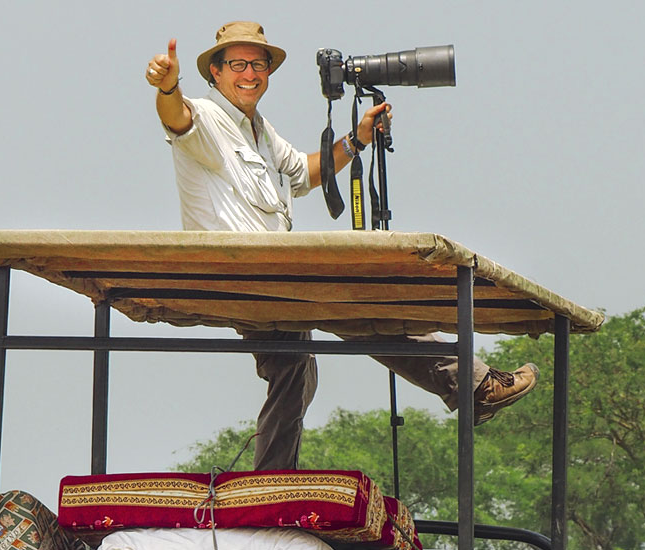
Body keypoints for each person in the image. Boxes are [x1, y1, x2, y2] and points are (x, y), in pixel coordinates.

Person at [146, 21, 538, 470]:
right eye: (238, 64)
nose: (250, 74)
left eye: (258, 64)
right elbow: (176, 117)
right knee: (363, 306)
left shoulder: (259, 130)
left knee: (293, 372)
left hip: (271, 277)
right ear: (214, 73)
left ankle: (269, 483)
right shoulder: (207, 117)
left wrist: (356, 141)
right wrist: (168, 84)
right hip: (246, 277)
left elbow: (305, 174)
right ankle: (473, 386)